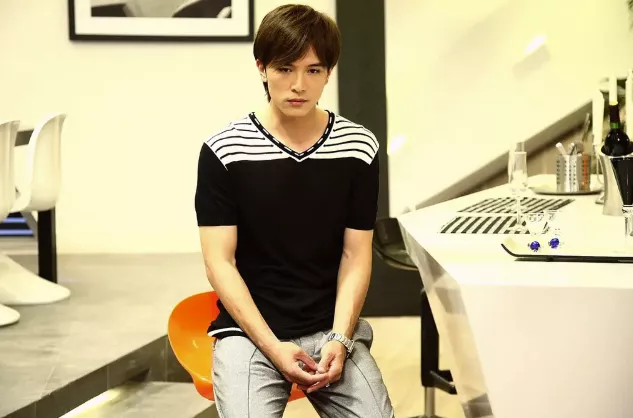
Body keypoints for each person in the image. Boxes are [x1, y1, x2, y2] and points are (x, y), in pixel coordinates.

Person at [194, 4, 395, 417]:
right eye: (285, 69)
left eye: (313, 70)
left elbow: (356, 255)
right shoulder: (224, 150)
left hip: (330, 329)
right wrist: (272, 346)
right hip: (251, 333)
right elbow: (219, 264)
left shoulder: (358, 146)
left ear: (329, 72)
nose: (299, 85)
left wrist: (341, 337)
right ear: (262, 68)